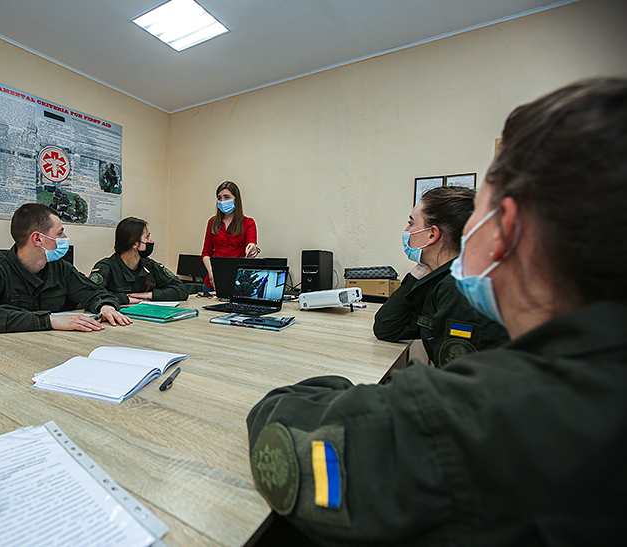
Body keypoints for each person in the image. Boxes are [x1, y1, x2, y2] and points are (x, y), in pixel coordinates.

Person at [246, 78, 627, 545]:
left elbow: (283, 434)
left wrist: (374, 397)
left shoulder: (506, 408)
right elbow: (390, 326)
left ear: (506, 228)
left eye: (480, 213)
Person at [373, 186, 509, 366]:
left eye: (411, 223)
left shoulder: (459, 289)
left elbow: (458, 376)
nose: (407, 230)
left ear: (432, 234)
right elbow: (387, 328)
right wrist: (415, 276)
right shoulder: (442, 278)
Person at [0, 203, 132, 333]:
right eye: (60, 233)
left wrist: (106, 307)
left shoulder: (60, 268)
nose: (65, 237)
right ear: (38, 239)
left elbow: (95, 292)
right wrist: (49, 321)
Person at [89, 217, 188, 305]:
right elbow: (89, 294)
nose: (151, 241)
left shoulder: (149, 265)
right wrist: (125, 299)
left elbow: (181, 290)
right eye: (147, 237)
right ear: (134, 244)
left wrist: (149, 295)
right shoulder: (106, 267)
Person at [200, 180, 259, 290]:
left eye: (226, 197)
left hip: (238, 282)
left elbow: (251, 245)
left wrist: (252, 249)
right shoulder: (212, 222)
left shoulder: (248, 223)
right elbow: (206, 253)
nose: (222, 201)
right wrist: (212, 273)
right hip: (213, 281)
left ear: (236, 200)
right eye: (219, 198)